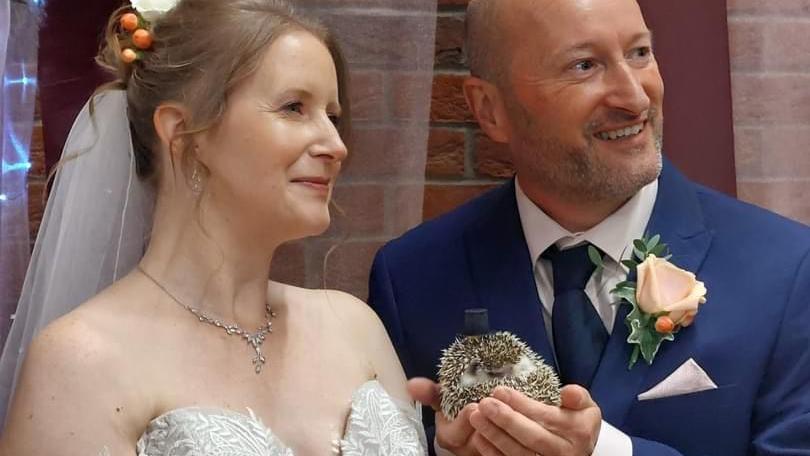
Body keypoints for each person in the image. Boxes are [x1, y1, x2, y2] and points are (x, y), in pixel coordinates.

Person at [368, 0, 810, 454]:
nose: (635, 97)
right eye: (585, 65)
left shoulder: (789, 271)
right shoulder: (410, 280)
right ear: (490, 109)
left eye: (640, 53)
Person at [0, 1, 427, 454]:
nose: (335, 145)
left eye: (333, 116)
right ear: (184, 133)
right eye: (294, 107)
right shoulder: (80, 363)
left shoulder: (355, 327)